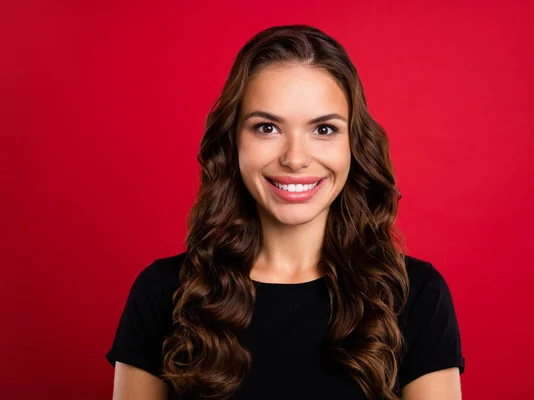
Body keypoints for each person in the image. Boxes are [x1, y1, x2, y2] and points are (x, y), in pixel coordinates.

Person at [106, 24, 465, 400]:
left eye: (324, 129)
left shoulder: (416, 294)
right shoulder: (165, 293)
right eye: (267, 127)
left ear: (354, 145)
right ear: (233, 142)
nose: (295, 159)